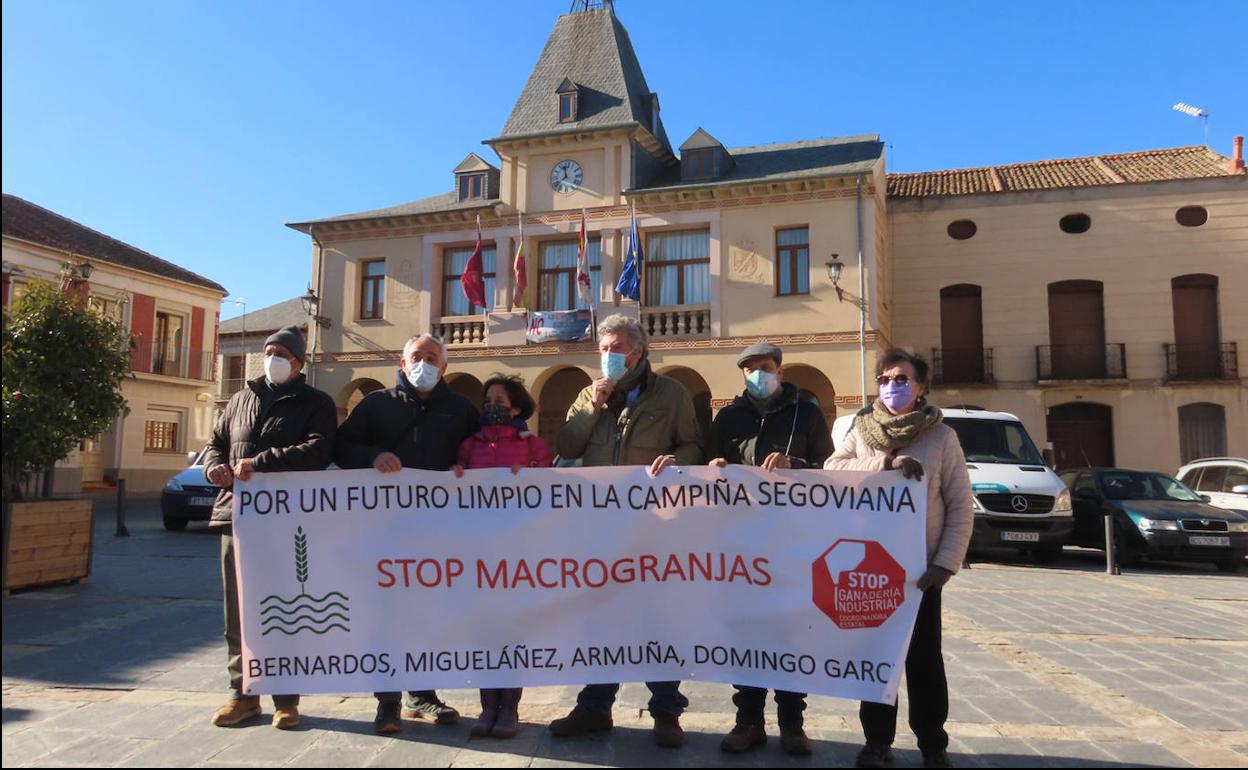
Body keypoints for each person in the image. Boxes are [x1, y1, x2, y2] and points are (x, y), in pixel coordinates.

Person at [548, 313, 703, 748]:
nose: (608, 356)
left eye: (616, 348)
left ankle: (667, 711)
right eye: (603, 348)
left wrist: (676, 462)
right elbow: (567, 446)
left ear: (638, 351)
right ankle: (595, 707)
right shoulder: (587, 393)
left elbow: (692, 443)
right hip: (599, 529)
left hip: (653, 525)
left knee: (657, 616)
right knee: (600, 616)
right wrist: (592, 406)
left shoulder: (671, 394)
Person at [823, 348, 973, 769]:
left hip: (921, 572)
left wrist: (945, 563)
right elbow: (836, 467)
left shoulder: (942, 437)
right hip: (869, 569)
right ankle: (876, 742)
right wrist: (886, 462)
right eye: (886, 379)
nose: (892, 386)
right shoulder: (859, 429)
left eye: (902, 379)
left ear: (921, 387)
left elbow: (961, 504)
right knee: (875, 659)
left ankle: (932, 743)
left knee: (925, 662)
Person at [334, 333, 479, 735]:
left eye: (433, 356)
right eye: (417, 355)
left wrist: (464, 469)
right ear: (402, 362)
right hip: (384, 531)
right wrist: (372, 456)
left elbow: (479, 454)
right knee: (387, 614)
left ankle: (422, 694)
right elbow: (342, 448)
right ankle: (388, 701)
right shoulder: (376, 405)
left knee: (428, 616)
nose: (425, 362)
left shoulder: (462, 409)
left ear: (445, 366)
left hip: (439, 532)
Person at [204, 326, 337, 730]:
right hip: (236, 517)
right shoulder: (240, 399)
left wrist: (261, 462)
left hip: (287, 523)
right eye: (268, 351)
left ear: (299, 363)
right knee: (239, 612)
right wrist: (213, 466)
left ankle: (286, 699)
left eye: (281, 353)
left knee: (287, 608)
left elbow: (319, 449)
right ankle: (242, 695)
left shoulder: (316, 402)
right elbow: (215, 442)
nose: (272, 358)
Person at [707, 342, 833, 757]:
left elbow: (831, 472)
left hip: (793, 541)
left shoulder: (808, 414)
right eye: (750, 369)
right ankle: (748, 721)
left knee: (789, 633)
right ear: (742, 376)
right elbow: (709, 464)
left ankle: (793, 723)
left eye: (765, 367)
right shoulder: (727, 417)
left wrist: (794, 465)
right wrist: (713, 469)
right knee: (747, 632)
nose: (758, 374)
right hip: (741, 542)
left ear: (779, 371)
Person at [451, 374, 552, 739]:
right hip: (478, 553)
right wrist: (454, 477)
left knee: (513, 632)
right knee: (484, 632)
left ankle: (509, 708)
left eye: (500, 400)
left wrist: (532, 477)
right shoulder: (468, 445)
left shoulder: (533, 445)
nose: (492, 406)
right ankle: (487, 708)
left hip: (518, 554)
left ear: (517, 408)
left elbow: (548, 489)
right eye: (488, 400)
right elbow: (455, 486)